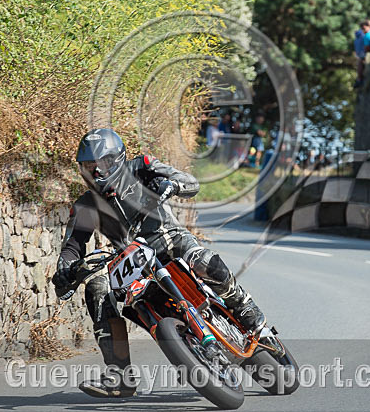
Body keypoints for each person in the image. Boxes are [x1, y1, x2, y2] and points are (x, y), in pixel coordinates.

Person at [53, 129, 268, 397]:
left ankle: (244, 306)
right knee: (96, 287)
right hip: (131, 261)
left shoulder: (142, 166)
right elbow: (72, 246)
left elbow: (189, 182)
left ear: (118, 159)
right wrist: (64, 270)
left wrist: (171, 185)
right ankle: (119, 375)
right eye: (89, 166)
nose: (96, 171)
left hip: (170, 240)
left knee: (203, 261)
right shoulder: (85, 205)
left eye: (103, 163)